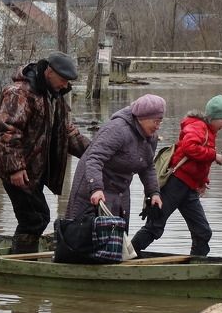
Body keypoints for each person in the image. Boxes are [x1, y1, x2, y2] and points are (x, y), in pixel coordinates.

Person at [0, 52, 91, 253]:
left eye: (68, 81)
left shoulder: (54, 97)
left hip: (34, 170)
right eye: (63, 79)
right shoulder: (19, 93)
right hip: (17, 169)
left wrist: (95, 152)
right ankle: (21, 261)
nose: (65, 84)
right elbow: (6, 132)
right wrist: (15, 168)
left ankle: (22, 256)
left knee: (36, 217)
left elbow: (66, 133)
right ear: (49, 72)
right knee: (35, 218)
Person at [130, 94, 222, 257]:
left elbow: (198, 164)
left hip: (189, 187)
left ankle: (197, 264)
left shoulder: (208, 131)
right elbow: (189, 147)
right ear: (213, 118)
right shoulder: (198, 126)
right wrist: (214, 155)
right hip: (176, 183)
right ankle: (126, 256)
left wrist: (202, 181)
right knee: (155, 227)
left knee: (203, 232)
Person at [64, 94, 166, 228]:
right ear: (142, 118)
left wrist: (153, 193)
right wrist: (96, 188)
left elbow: (147, 166)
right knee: (83, 233)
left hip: (121, 190)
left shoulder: (151, 137)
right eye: (156, 121)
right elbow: (94, 159)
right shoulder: (117, 130)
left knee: (117, 233)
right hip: (94, 185)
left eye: (160, 121)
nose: (158, 126)